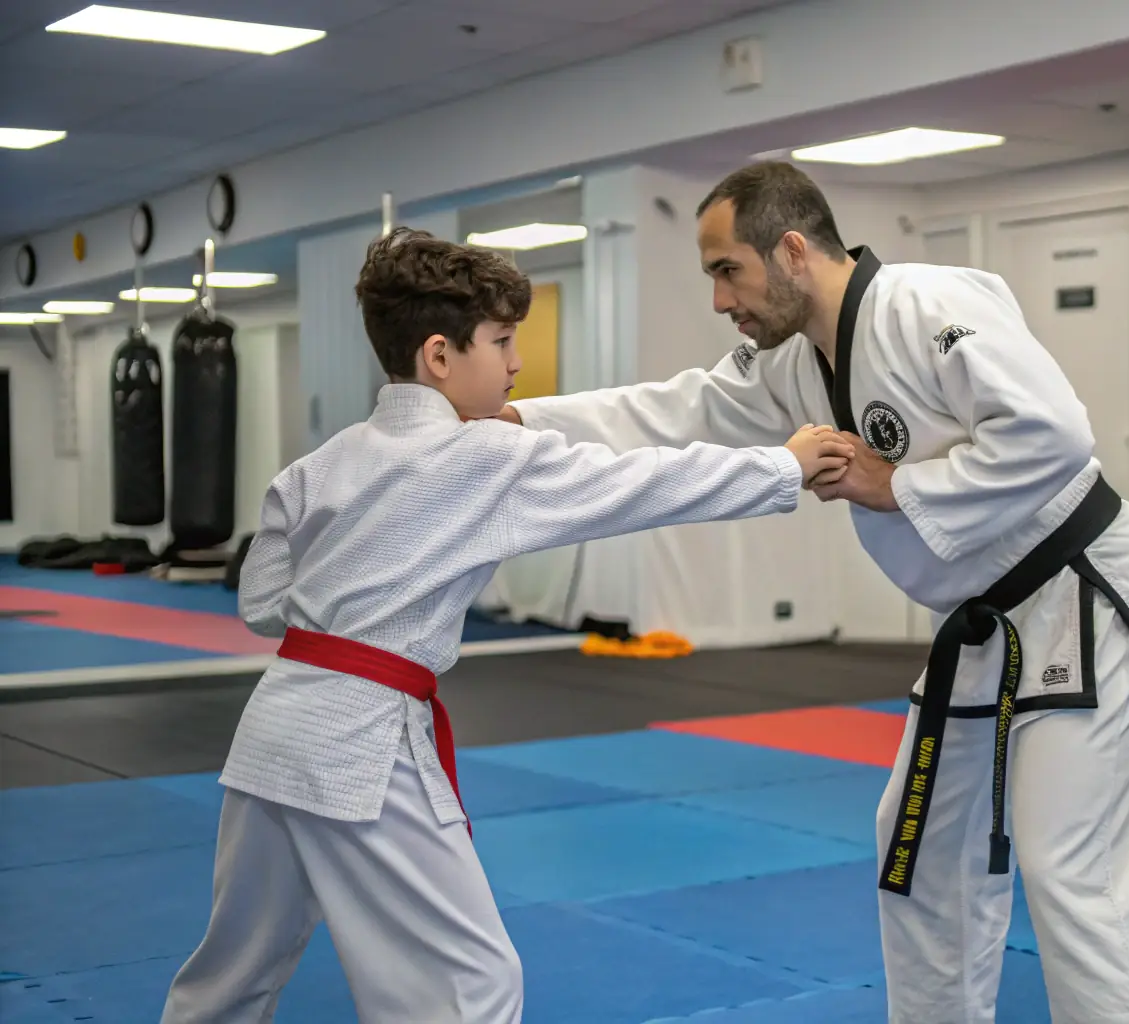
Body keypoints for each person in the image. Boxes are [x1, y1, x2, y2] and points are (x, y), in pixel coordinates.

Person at [497, 161, 1129, 1024]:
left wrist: (895, 484)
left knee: (1073, 876)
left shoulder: (926, 303)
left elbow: (1052, 433)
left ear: (790, 250)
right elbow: (679, 410)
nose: (720, 301)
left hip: (1082, 610)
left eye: (727, 271)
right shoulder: (795, 360)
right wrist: (524, 420)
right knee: (920, 860)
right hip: (980, 634)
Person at [159, 227, 855, 1024]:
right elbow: (643, 484)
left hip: (273, 732)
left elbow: (262, 607)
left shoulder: (318, 466)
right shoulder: (484, 458)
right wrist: (785, 464)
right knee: (471, 985)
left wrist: (361, 578)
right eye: (500, 340)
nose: (516, 361)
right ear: (439, 357)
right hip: (362, 743)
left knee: (234, 970)